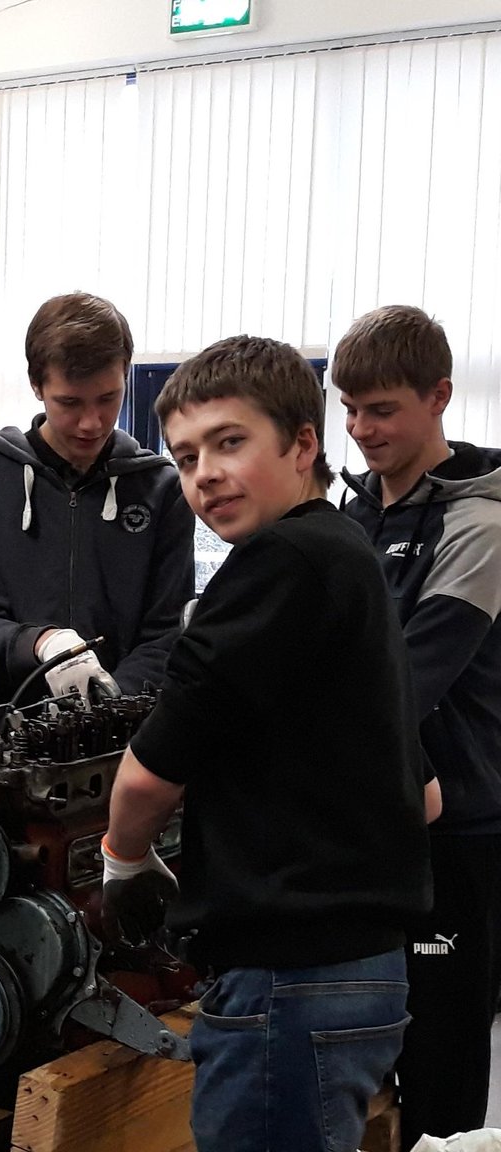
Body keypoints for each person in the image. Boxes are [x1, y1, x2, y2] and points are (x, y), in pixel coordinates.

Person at [101, 334, 433, 1152]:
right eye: (183, 457)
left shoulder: (277, 564)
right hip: (361, 974)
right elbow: (425, 795)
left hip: (291, 983)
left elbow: (146, 778)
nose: (203, 473)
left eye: (229, 441)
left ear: (304, 442)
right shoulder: (348, 552)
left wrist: (123, 863)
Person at [334, 304, 501, 1149]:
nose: (363, 429)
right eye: (351, 408)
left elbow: (405, 681)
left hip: (463, 830)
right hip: (377, 823)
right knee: (365, 1059)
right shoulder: (354, 514)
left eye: (383, 409)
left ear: (439, 396)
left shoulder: (483, 521)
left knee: (439, 1075)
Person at [0, 292, 194, 729]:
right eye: (70, 403)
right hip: (6, 749)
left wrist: (104, 705)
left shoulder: (163, 489)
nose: (92, 422)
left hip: (125, 739)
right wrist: (42, 643)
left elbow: (166, 636)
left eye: (108, 398)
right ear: (37, 386)